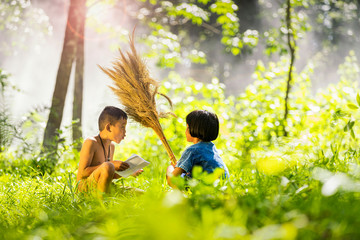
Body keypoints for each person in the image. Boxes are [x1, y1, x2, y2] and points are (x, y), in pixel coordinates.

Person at [76, 106, 142, 194]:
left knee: (141, 194)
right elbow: (83, 172)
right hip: (86, 188)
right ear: (109, 128)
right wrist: (111, 165)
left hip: (104, 186)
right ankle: (102, 205)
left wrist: (128, 172)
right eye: (122, 127)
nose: (125, 132)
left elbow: (108, 174)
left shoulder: (111, 146)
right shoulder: (91, 142)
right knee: (108, 166)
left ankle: (107, 197)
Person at [166, 110, 229, 188]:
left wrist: (171, 168)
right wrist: (180, 165)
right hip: (222, 189)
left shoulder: (192, 150)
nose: (185, 131)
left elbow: (171, 180)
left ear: (192, 129)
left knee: (176, 176)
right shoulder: (211, 148)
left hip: (204, 192)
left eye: (187, 127)